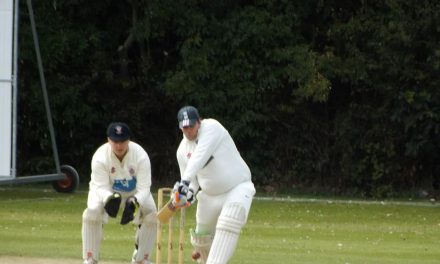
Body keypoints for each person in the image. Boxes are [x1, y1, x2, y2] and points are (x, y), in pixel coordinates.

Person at [173, 106, 256, 264]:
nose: (189, 130)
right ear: (180, 127)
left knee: (229, 220)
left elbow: (200, 156)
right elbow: (193, 183)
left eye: (191, 126)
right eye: (185, 128)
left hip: (237, 188)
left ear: (199, 121)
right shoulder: (181, 151)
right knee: (201, 239)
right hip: (209, 197)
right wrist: (187, 195)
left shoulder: (212, 127)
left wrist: (184, 183)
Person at [82, 122, 157, 264]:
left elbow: (145, 188)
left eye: (122, 141)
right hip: (105, 191)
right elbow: (100, 187)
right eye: (115, 141)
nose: (119, 145)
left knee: (152, 214)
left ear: (128, 140)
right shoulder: (100, 157)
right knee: (92, 212)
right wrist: (109, 198)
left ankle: (141, 258)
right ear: (108, 140)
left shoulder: (140, 155)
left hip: (134, 192)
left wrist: (135, 200)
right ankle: (90, 258)